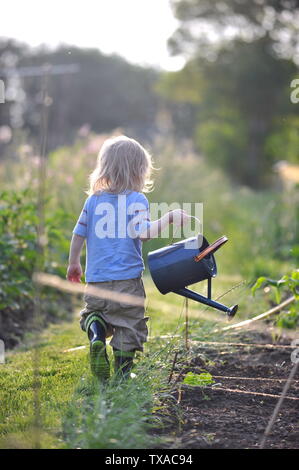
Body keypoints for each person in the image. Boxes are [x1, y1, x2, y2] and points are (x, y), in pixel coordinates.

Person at [67, 135, 190, 380]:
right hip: (127, 282)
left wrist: (73, 263)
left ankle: (97, 334)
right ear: (137, 171)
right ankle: (122, 374)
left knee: (95, 313)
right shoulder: (136, 199)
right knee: (128, 325)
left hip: (97, 280)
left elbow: (78, 233)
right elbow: (142, 233)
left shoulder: (93, 200)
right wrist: (169, 218)